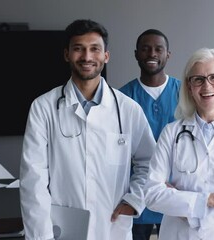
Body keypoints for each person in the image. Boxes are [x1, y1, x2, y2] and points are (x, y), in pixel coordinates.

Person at [19, 19, 156, 240]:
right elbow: (33, 180)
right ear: (66, 54)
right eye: (78, 49)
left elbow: (150, 162)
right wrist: (41, 236)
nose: (87, 57)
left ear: (106, 56)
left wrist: (135, 200)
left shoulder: (127, 109)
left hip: (112, 227)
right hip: (60, 228)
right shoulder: (43, 108)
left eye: (95, 49)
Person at [144, 48, 214, 240]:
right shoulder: (171, 133)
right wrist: (211, 200)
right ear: (189, 87)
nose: (206, 86)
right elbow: (152, 194)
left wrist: (189, 212)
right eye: (198, 79)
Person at [120, 29, 181, 240]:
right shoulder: (123, 98)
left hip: (175, 189)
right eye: (145, 49)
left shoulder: (185, 93)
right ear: (136, 54)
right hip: (137, 192)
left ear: (168, 55)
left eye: (158, 49)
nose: (152, 54)